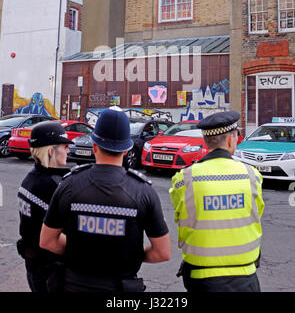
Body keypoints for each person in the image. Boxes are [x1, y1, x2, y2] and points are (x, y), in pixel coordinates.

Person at [40, 108, 171, 292]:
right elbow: (162, 252)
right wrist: (130, 256)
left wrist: (78, 253)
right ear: (126, 150)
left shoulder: (69, 184)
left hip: (73, 285)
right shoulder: (144, 191)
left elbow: (47, 241)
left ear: (94, 146)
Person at [169, 110, 264, 293]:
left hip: (201, 278)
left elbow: (180, 214)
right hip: (245, 275)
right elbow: (255, 215)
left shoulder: (183, 179)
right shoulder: (252, 176)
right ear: (231, 140)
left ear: (206, 141)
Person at [17, 121, 72, 292]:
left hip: (34, 264)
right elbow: (55, 237)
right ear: (50, 151)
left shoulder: (30, 179)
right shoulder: (52, 186)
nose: (68, 151)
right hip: (51, 271)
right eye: (65, 146)